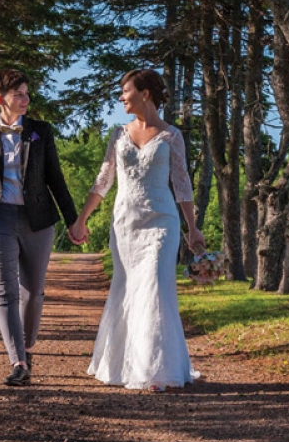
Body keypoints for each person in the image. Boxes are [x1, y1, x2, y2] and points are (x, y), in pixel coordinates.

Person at [69, 68, 204, 392]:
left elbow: (182, 185)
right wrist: (81, 219)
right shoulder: (118, 135)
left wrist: (193, 228)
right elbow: (103, 181)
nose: (121, 97)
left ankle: (156, 369)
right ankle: (121, 363)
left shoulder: (172, 136)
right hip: (125, 224)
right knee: (128, 289)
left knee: (156, 287)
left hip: (162, 222)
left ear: (144, 93)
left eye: (125, 91)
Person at [0, 69, 78, 386]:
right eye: (19, 95)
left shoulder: (41, 131)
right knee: (4, 292)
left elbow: (56, 179)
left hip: (37, 221)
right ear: (1, 100)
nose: (26, 99)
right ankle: (18, 361)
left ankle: (27, 348)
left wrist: (73, 220)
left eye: (27, 93)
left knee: (33, 292)